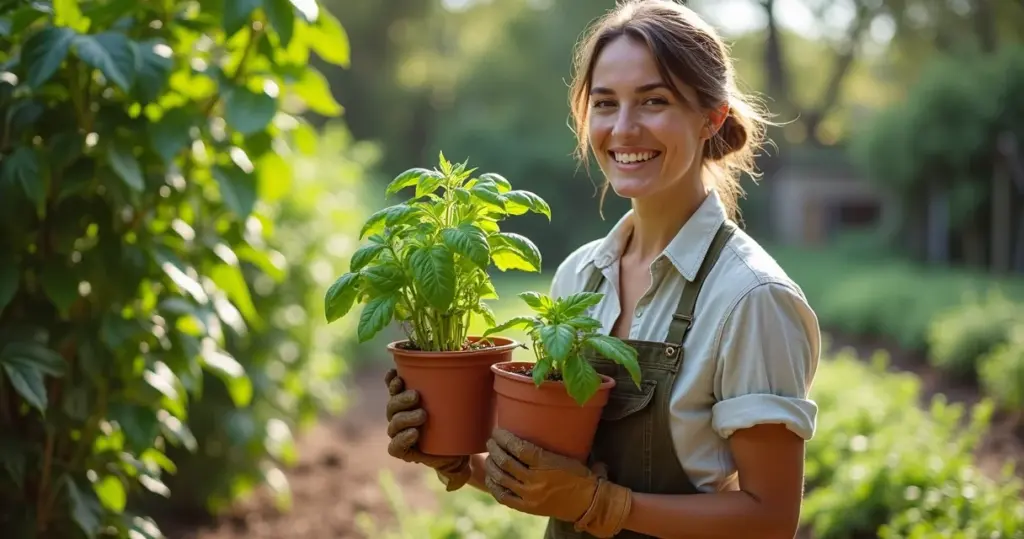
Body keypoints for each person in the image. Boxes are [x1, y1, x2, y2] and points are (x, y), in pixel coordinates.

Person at [382, 0, 821, 537]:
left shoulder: (751, 298)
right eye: (606, 103)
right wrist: (452, 455)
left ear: (712, 117)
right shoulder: (580, 277)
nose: (624, 128)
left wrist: (602, 503)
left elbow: (770, 517)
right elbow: (554, 480)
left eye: (654, 101)